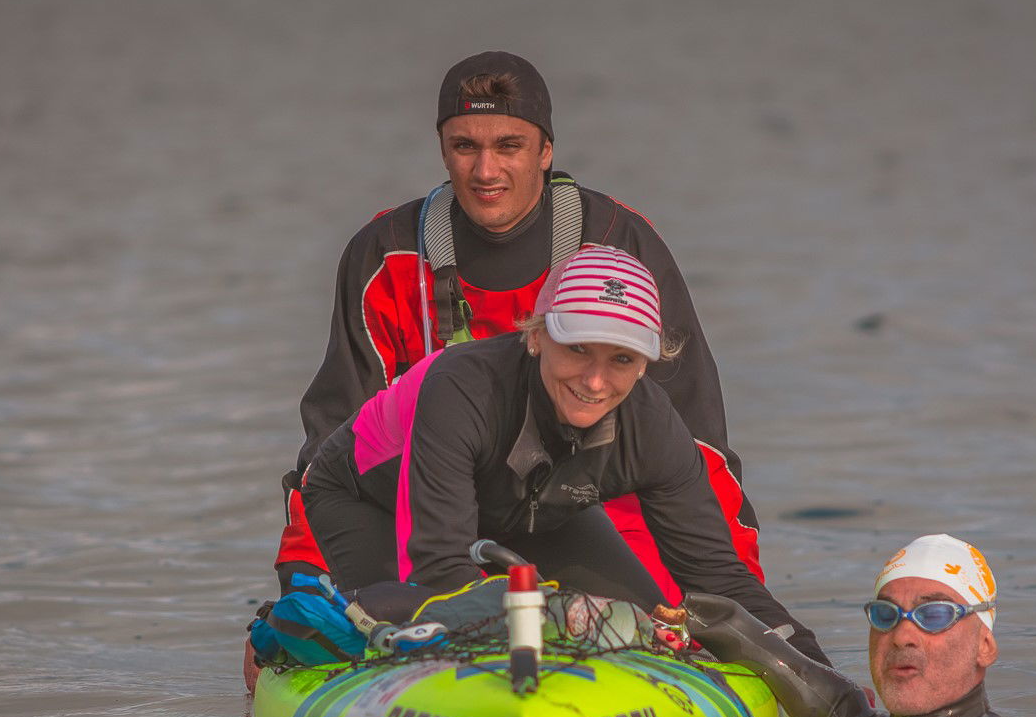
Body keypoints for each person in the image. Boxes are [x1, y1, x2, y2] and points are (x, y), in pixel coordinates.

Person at [277, 50, 762, 594]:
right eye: (465, 146)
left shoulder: (620, 249)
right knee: (351, 613)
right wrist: (301, 581)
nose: (486, 171)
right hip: (424, 505)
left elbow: (699, 445)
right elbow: (336, 441)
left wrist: (735, 597)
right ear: (442, 150)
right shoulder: (382, 256)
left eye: (509, 146)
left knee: (674, 618)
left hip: (580, 505)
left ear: (546, 151)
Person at [298, 245, 830, 664]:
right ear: (536, 335)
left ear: (646, 363)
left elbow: (720, 580)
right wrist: (563, 619)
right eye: (577, 348)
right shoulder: (463, 388)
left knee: (643, 631)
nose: (596, 381)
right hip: (368, 499)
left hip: (533, 516)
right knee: (419, 628)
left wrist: (820, 675)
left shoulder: (653, 427)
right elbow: (440, 573)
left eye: (621, 358)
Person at [685, 534, 1036, 717]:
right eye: (885, 615)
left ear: (985, 646)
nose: (903, 635)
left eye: (933, 615)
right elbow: (770, 653)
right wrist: (680, 616)